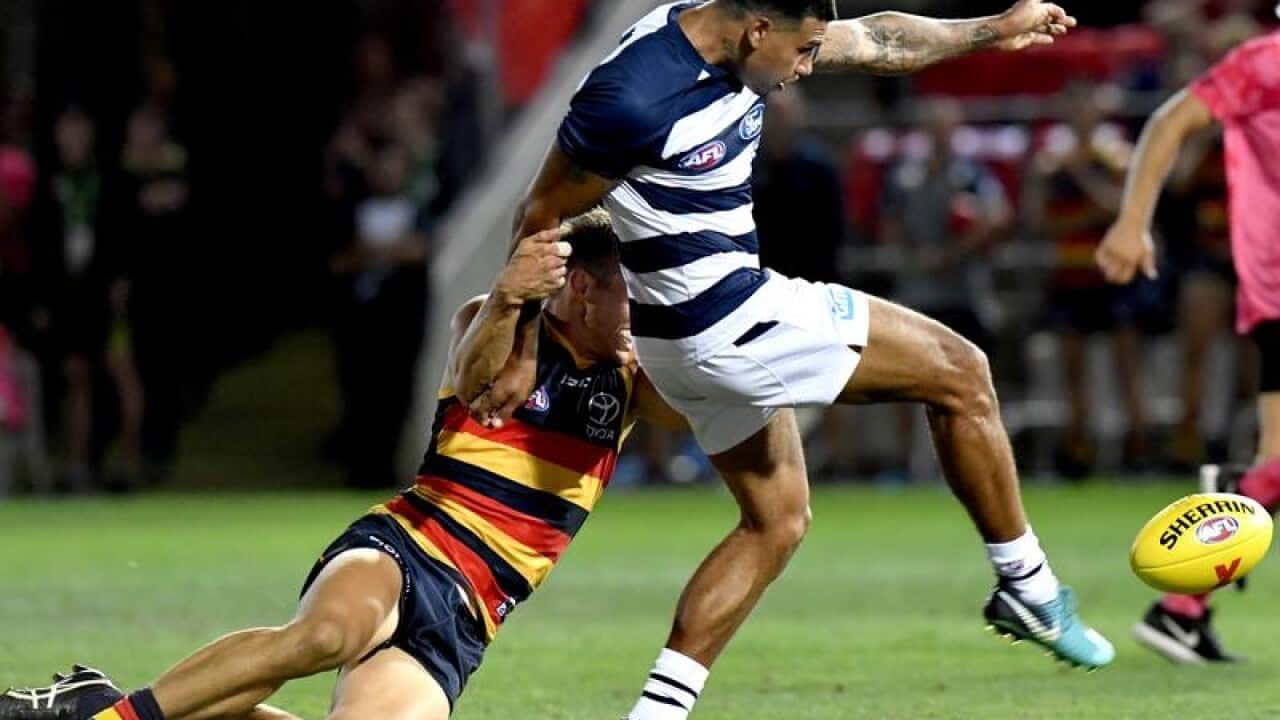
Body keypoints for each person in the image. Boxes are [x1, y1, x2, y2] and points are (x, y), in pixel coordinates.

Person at [475, 3, 1114, 719]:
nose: (807, 68)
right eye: (803, 50)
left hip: (679, 341)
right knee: (962, 373)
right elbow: (538, 213)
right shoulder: (634, 96)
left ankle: (656, 714)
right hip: (728, 319)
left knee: (775, 521)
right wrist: (521, 346)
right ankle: (1028, 586)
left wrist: (994, 28)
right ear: (757, 32)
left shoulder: (731, 33)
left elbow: (873, 40)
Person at [0, 210, 688, 720]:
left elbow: (712, 408)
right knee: (328, 634)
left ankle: (102, 700)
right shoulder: (492, 318)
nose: (650, 312)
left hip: (469, 619)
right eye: (638, 294)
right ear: (582, 285)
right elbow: (479, 381)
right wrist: (512, 295)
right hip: (409, 547)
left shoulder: (632, 379)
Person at [1095, 21, 1280, 665]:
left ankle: (1181, 607)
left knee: (1276, 463)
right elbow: (1170, 122)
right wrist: (1132, 223)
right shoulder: (1266, 63)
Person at [1026, 85, 1149, 476]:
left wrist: (1080, 175)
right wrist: (1087, 213)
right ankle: (1078, 452)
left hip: (1114, 274)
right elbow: (1039, 221)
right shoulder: (1050, 160)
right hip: (1071, 275)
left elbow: (1122, 208)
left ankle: (1139, 450)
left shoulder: (1116, 154)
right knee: (1073, 372)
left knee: (1126, 369)